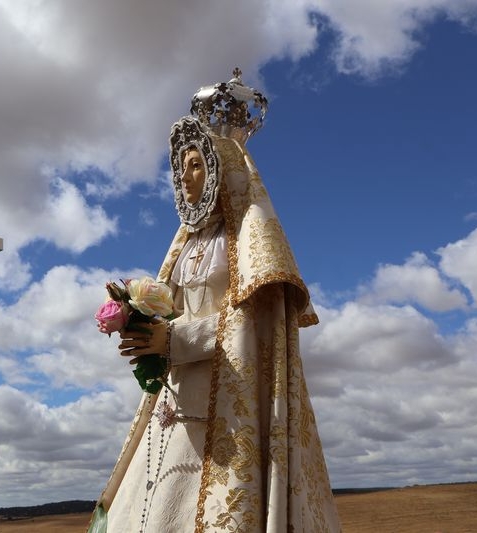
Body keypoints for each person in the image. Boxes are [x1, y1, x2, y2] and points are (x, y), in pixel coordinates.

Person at [88, 70, 342, 532]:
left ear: (221, 167)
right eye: (180, 166)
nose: (185, 177)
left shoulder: (248, 237)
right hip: (174, 399)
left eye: (196, 164)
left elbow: (257, 320)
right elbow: (173, 306)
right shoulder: (182, 244)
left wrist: (174, 337)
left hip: (229, 394)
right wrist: (140, 323)